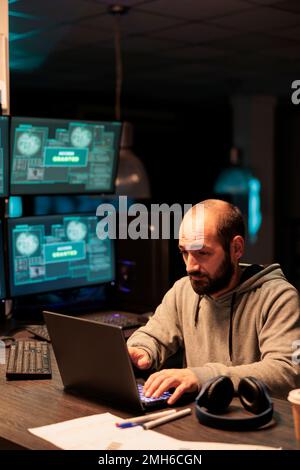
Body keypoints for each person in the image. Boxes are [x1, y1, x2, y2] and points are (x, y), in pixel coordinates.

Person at [127, 199, 300, 404]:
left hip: (259, 426)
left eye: (202, 253)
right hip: (199, 420)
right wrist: (142, 350)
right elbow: (153, 336)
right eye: (185, 252)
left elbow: (286, 372)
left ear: (236, 248)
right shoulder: (183, 290)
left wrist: (202, 376)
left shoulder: (278, 297)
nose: (190, 266)